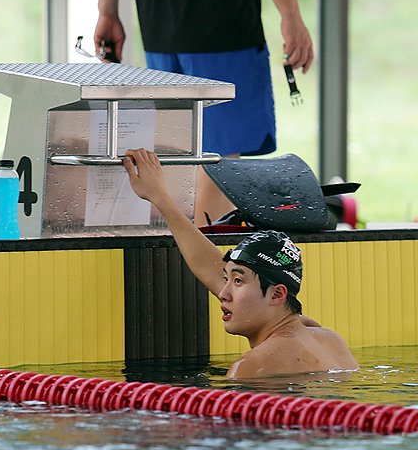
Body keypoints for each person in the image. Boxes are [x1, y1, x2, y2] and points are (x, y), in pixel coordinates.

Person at [94, 0, 314, 225]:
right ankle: (203, 265)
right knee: (218, 162)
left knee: (176, 159)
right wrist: (291, 15)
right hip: (221, 22)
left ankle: (176, 260)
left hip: (159, 23)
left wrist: (107, 10)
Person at [122, 148, 357, 379]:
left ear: (277, 294)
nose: (223, 293)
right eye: (227, 279)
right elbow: (211, 268)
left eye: (237, 281)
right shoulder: (327, 339)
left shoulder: (252, 368)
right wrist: (160, 198)